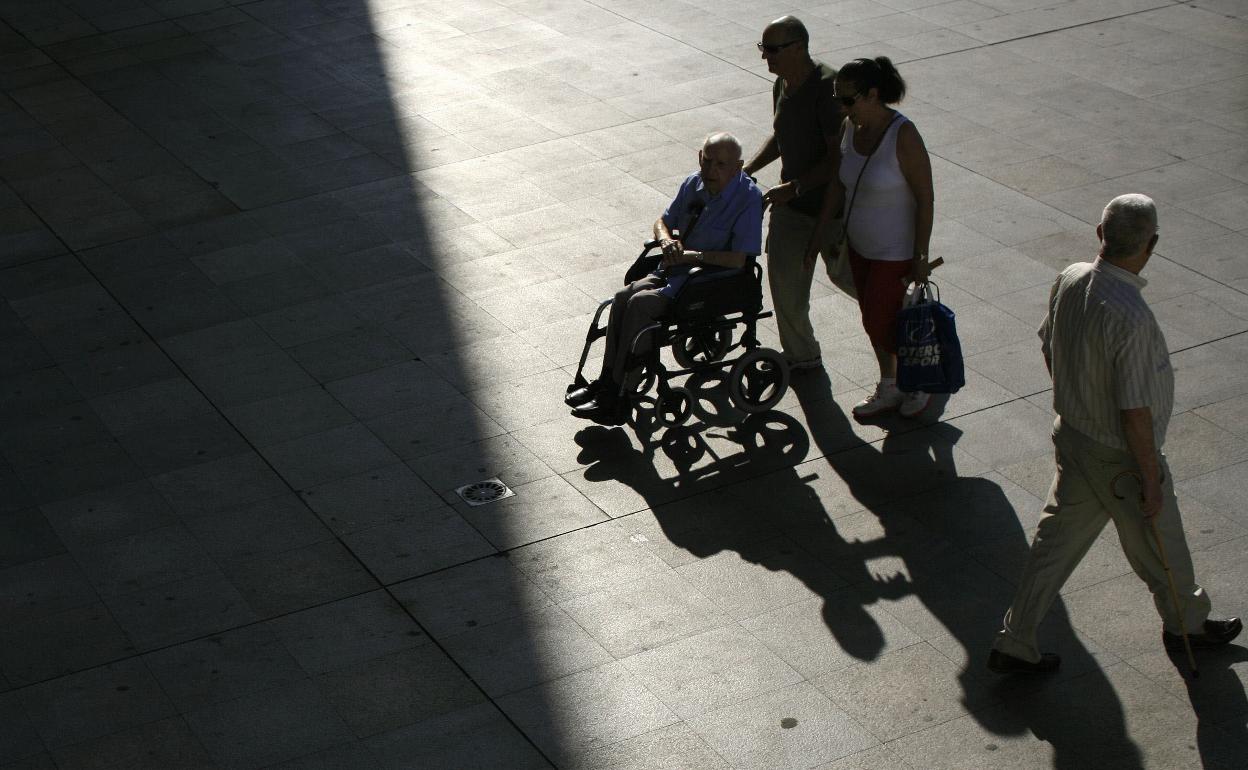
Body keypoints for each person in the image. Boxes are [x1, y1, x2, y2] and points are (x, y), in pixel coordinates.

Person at [988, 194, 1241, 674]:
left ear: (1100, 234)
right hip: (1118, 455)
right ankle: (1186, 624)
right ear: (1153, 244)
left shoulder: (1070, 277)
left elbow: (1049, 346)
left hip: (1073, 436)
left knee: (1054, 544)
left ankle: (1015, 639)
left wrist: (1077, 399)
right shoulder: (1133, 316)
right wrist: (1149, 476)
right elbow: (1135, 410)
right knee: (1160, 537)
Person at [566, 132, 763, 425]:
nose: (711, 170)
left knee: (641, 306)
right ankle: (608, 381)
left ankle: (622, 394)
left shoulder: (748, 199)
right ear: (699, 157)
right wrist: (666, 240)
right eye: (707, 161)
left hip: (708, 280)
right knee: (621, 298)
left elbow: (739, 259)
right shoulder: (692, 183)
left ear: (738, 167)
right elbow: (662, 222)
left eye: (721, 165)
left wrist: (691, 256)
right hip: (676, 270)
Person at [807, 57, 935, 419]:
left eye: (848, 99)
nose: (842, 107)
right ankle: (890, 383)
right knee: (872, 317)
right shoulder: (851, 126)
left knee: (882, 320)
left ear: (874, 94)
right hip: (859, 246)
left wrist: (920, 256)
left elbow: (925, 197)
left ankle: (917, 381)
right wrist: (820, 235)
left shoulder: (903, 135)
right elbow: (838, 182)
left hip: (894, 251)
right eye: (838, 98)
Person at [741, 15, 844, 372]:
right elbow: (782, 134)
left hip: (834, 211)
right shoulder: (783, 83)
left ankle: (902, 320)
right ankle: (802, 355)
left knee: (848, 277)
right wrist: (748, 169)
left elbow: (838, 159)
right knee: (785, 285)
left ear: (799, 47)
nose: (765, 57)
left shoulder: (828, 89)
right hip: (792, 207)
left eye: (772, 49)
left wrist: (797, 186)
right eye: (762, 48)